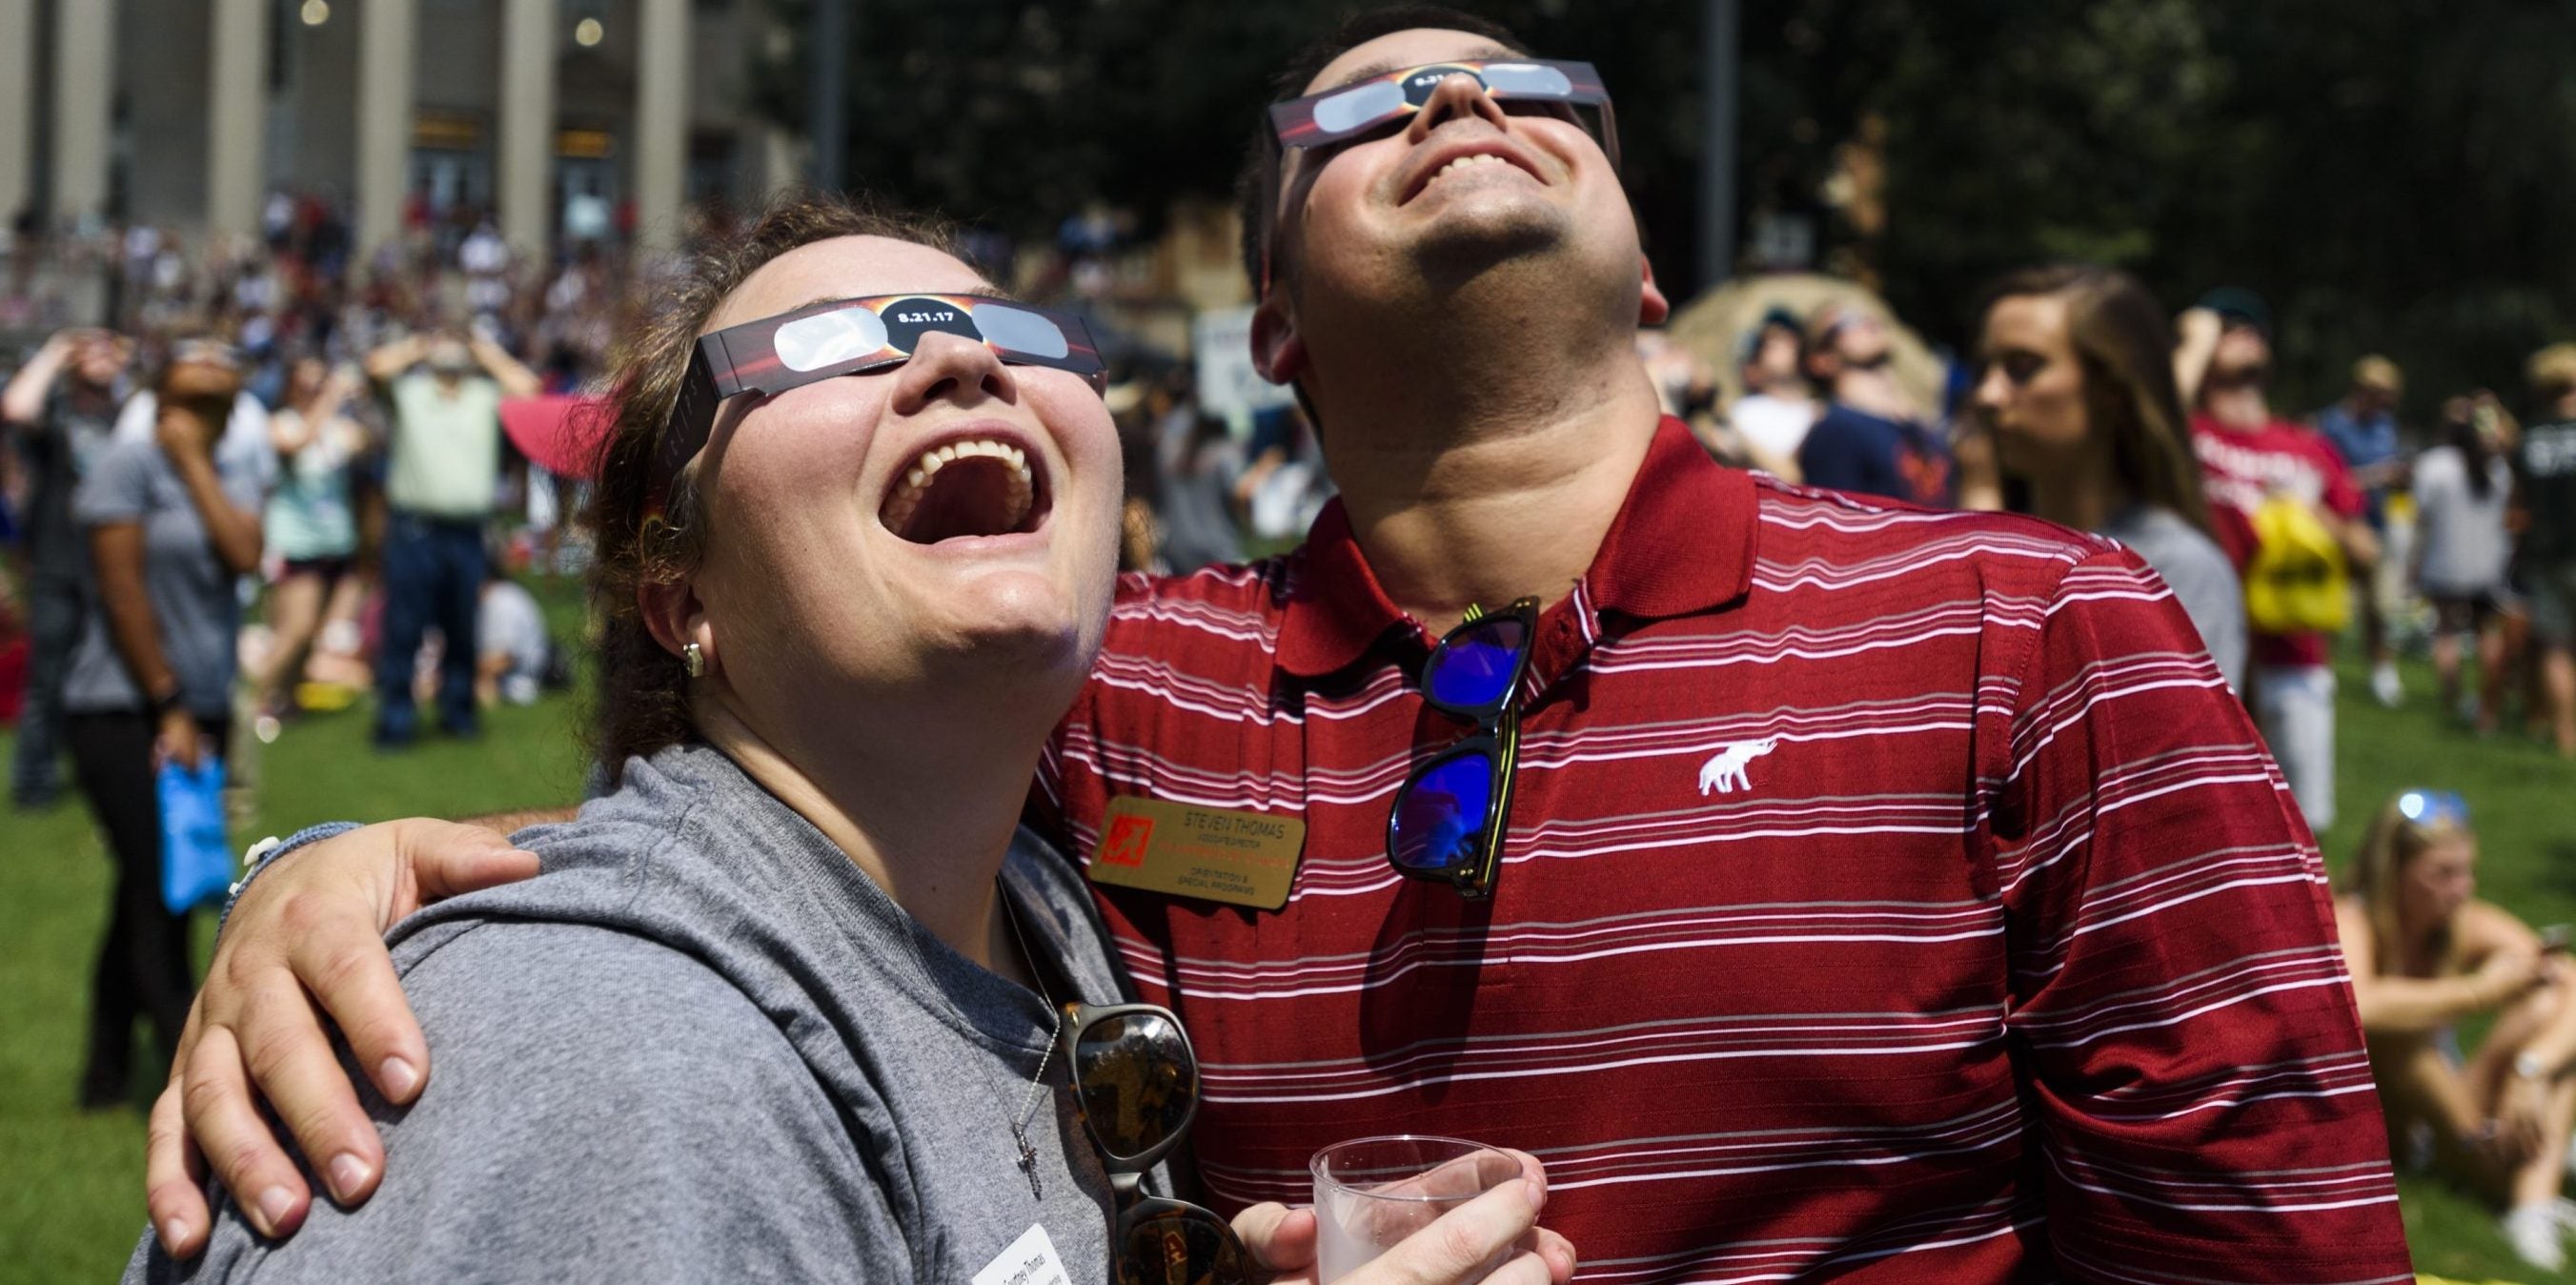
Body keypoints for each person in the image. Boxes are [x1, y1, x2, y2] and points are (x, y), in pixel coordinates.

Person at [154, 11, 2414, 1279]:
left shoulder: (2035, 634)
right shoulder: (1106, 684)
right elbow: (776, 867)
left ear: (1646, 262)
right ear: (1264, 321)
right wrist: (351, 863)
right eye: (1359, 106)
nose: (1453, 102)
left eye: (1538, 89)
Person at [126, 194, 1572, 1285]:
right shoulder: (619, 1077)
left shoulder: (1033, 895)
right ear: (678, 591)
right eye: (818, 346)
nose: (961, 366)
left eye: (1012, 330)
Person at [63, 340, 270, 1108]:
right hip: (125, 706)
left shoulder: (226, 472)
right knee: (161, 888)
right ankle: (199, 1083)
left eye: (219, 401)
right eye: (185, 400)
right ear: (158, 399)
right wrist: (168, 705)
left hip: (200, 707)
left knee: (146, 888)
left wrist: (197, 468)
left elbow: (246, 554)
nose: (199, 416)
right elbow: (122, 597)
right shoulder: (125, 467)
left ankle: (104, 1076)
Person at [2333, 788, 2576, 1269]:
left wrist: (2530, 1070)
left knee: (2548, 1011)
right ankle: (2532, 1179)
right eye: (2442, 874)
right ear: (2393, 872)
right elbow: (2357, 1004)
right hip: (2397, 1128)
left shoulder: (2459, 922)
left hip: (2454, 1112)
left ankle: (2531, 1202)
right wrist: (2480, 992)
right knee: (2404, 1042)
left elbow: (2569, 979)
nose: (2462, 887)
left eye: (2466, 870)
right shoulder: (2353, 918)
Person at [1973, 264, 2245, 691]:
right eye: (1985, 369)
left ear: (2112, 388)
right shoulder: (1996, 539)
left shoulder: (2174, 571)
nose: (1986, 395)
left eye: (2023, 367)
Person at [2179, 287, 2378, 831]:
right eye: (2223, 328)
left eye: (2252, 328)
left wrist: (2316, 518)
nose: (2241, 334)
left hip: (2294, 656)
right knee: (2196, 823)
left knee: (2301, 829)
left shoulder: (2305, 449)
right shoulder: (2186, 436)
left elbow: (2367, 551)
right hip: (2199, 652)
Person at [360, 328, 538, 746]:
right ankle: (395, 721)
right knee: (404, 627)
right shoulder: (410, 391)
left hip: (466, 532)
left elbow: (530, 390)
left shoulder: (484, 393)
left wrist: (485, 351)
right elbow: (375, 368)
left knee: (462, 625)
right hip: (414, 529)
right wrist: (420, 344)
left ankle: (458, 713)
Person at [2, 327, 132, 808]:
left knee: (107, 679)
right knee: (49, 678)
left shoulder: (128, 418)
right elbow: (15, 407)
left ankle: (97, 768)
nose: (102, 355)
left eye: (110, 346)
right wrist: (57, 347)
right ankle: (34, 780)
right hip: (59, 565)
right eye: (90, 347)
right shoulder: (56, 414)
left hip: (114, 568)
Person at [252, 356, 367, 738]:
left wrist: (363, 399)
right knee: (295, 629)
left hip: (334, 540)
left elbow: (366, 441)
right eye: (310, 377)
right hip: (295, 542)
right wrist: (333, 395)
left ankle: (289, 700)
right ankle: (255, 701)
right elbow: (297, 443)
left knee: (314, 630)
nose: (318, 383)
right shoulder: (278, 423)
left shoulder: (339, 427)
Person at [2413, 396, 2517, 732]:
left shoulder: (2435, 465)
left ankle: (2453, 698)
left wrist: (2414, 562)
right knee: (2487, 634)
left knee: (2446, 632)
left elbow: (2422, 518)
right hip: (2489, 566)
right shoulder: (2498, 468)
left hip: (2444, 562)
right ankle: (2487, 705)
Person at [2316, 356, 2410, 706]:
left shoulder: (2386, 426)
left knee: (2381, 609)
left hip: (2378, 526)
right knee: (2332, 608)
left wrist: (2398, 479)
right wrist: (2376, 476)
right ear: (2361, 390)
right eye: (2382, 393)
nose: (2388, 401)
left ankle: (2383, 673)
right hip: (2339, 527)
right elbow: (2325, 478)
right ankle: (2323, 671)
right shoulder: (2331, 425)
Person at [1795, 301, 1953, 504]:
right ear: (1821, 360)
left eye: (1865, 316)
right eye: (1847, 321)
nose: (1869, 322)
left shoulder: (1916, 426)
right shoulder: (1836, 431)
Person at [2516, 344, 2576, 758]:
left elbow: (2519, 504)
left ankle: (2564, 736)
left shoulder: (2530, 437)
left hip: (2545, 555)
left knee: (2556, 645)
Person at [1721, 305, 1812, 480]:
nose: (1786, 343)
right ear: (1751, 370)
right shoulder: (1744, 413)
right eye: (1769, 344)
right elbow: (1788, 477)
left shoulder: (1821, 408)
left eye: (1790, 338)